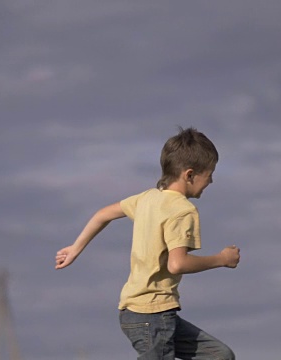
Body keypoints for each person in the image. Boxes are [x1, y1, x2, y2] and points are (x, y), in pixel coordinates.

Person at [54, 127, 240, 360]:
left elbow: (103, 214)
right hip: (152, 314)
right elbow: (177, 264)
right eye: (209, 173)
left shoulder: (147, 198)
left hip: (138, 313)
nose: (211, 180)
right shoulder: (183, 210)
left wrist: (75, 248)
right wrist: (221, 259)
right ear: (189, 175)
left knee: (219, 355)